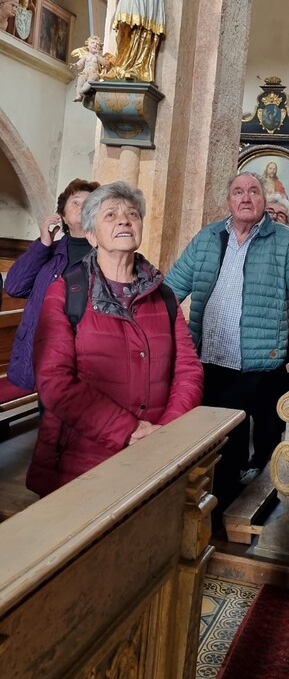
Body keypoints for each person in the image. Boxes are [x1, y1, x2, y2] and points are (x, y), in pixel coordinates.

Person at [26, 181, 203, 497]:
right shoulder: (65, 293)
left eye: (132, 214)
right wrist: (130, 430)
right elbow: (54, 381)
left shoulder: (163, 296)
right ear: (91, 235)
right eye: (110, 215)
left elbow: (188, 370)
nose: (124, 220)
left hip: (153, 457)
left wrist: (164, 433)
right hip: (81, 464)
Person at [165, 171, 289, 518]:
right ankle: (209, 513)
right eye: (238, 192)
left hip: (257, 363)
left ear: (264, 199)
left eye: (253, 191)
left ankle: (223, 514)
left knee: (237, 441)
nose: (246, 197)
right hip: (208, 358)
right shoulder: (208, 237)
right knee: (213, 442)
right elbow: (171, 288)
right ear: (228, 201)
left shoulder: (285, 241)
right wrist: (155, 328)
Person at [5, 178, 99, 391]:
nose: (82, 206)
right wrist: (43, 244)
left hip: (79, 359)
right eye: (75, 202)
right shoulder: (48, 251)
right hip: (40, 353)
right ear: (63, 215)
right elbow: (14, 287)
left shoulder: (105, 256)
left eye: (89, 203)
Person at [71, 35, 109, 102]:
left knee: (90, 80)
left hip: (94, 73)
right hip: (85, 72)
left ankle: (82, 91)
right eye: (92, 43)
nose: (95, 45)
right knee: (80, 80)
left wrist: (98, 56)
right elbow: (80, 64)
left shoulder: (98, 56)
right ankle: (78, 95)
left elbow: (105, 63)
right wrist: (75, 65)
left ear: (100, 48)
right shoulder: (86, 56)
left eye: (97, 44)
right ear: (88, 46)